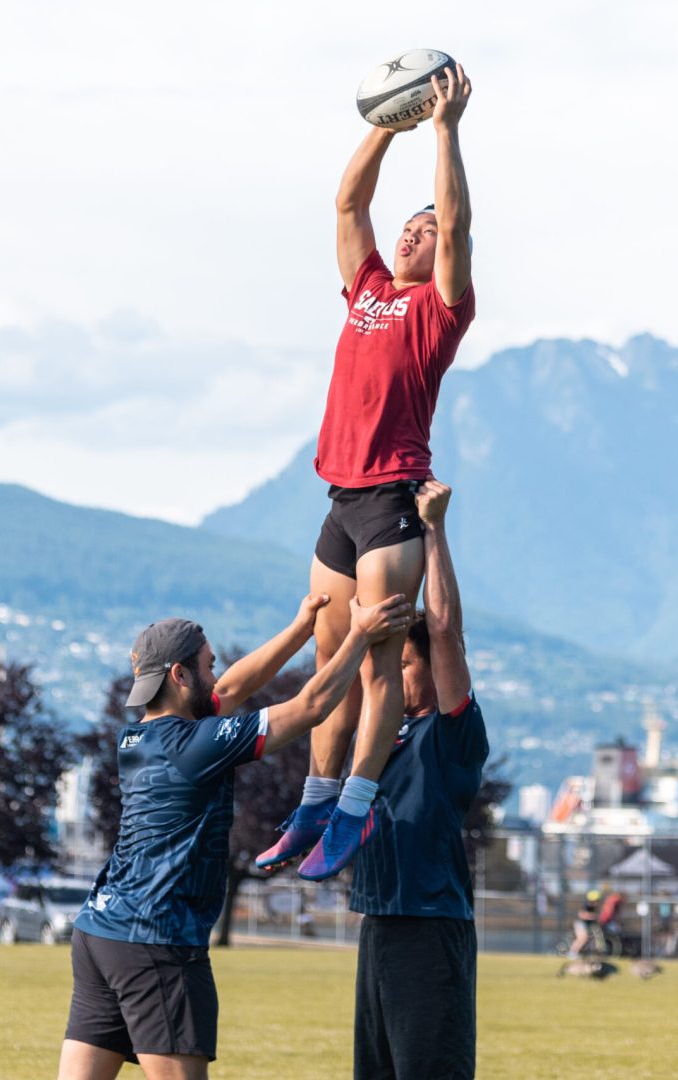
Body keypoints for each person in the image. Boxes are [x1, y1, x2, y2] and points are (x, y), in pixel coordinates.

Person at [258, 64, 477, 882]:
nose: (414, 231)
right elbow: (349, 204)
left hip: (391, 497)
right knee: (331, 659)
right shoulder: (368, 288)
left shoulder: (439, 310)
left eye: (423, 228)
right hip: (340, 499)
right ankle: (316, 798)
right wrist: (390, 121)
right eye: (409, 227)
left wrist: (445, 130)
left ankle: (354, 808)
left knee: (382, 658)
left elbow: (454, 228)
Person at [57, 590, 413, 1080]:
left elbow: (233, 688)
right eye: (208, 665)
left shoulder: (136, 737)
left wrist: (302, 628)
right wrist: (360, 635)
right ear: (180, 676)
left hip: (99, 932)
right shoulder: (195, 745)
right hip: (156, 940)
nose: (216, 673)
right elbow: (311, 706)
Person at [348, 478, 489, 1080]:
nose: (394, 677)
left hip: (430, 929)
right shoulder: (384, 736)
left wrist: (433, 527)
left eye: (404, 664)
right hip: (379, 926)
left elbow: (445, 631)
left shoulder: (449, 734)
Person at [569, 890, 601, 957]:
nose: (598, 902)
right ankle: (572, 953)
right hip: (580, 924)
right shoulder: (587, 905)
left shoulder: (594, 907)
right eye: (597, 900)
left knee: (590, 939)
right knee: (582, 938)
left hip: (586, 925)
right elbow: (581, 915)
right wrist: (592, 917)